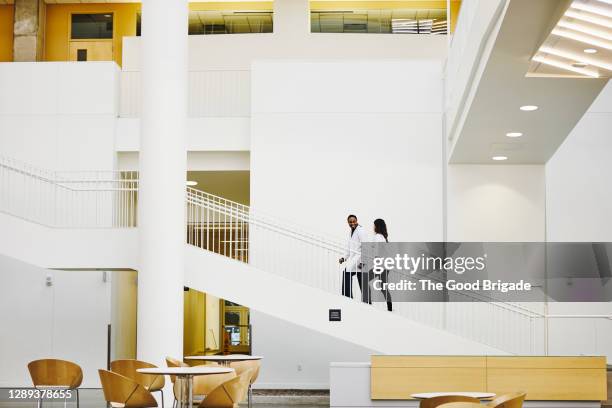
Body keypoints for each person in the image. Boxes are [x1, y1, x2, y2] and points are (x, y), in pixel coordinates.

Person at [339, 214, 370, 303]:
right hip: (354, 260)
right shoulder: (351, 232)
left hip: (360, 260)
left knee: (347, 273)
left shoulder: (361, 231)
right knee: (361, 281)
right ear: (348, 223)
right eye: (350, 222)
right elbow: (349, 248)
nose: (352, 223)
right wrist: (343, 258)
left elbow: (366, 246)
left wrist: (363, 262)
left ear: (357, 221)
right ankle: (367, 301)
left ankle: (348, 297)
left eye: (354, 221)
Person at [371, 218, 393, 312]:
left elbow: (377, 250)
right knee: (383, 287)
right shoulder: (383, 237)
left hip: (381, 264)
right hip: (385, 264)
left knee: (365, 278)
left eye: (374, 225)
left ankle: (367, 302)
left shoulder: (378, 237)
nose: (373, 227)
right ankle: (390, 308)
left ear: (377, 226)